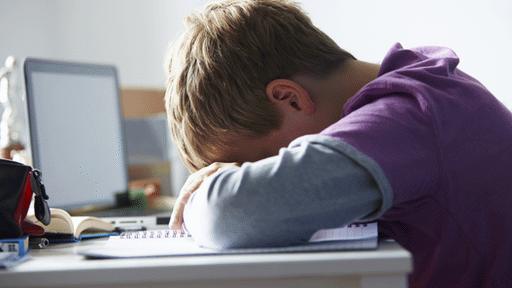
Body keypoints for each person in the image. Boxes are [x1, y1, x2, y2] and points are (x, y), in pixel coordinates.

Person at [164, 0, 512, 287]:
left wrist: (202, 196)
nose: (269, 174)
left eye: (263, 164)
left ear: (291, 99)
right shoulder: (425, 87)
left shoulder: (407, 118)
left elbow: (231, 213)